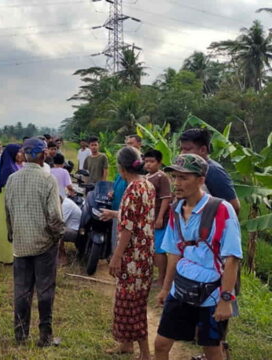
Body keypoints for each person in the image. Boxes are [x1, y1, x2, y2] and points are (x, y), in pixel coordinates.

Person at [154, 154, 242, 360]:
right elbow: (174, 253)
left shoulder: (221, 210)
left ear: (201, 180)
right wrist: (166, 288)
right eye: (175, 177)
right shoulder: (176, 210)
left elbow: (232, 259)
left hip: (211, 294)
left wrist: (226, 299)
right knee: (161, 344)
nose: (177, 183)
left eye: (184, 178)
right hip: (181, 288)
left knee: (211, 349)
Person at [5, 138, 63, 347]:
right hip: (44, 244)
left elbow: (8, 212)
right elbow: (55, 216)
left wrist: (13, 234)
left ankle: (21, 335)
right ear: (41, 154)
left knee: (22, 291)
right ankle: (45, 336)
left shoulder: (12, 179)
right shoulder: (48, 179)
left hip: (21, 244)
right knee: (45, 290)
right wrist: (57, 236)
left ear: (24, 154)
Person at [102, 146, 155, 360]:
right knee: (129, 300)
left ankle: (144, 353)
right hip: (144, 254)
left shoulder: (133, 188)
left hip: (133, 256)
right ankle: (125, 345)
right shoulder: (147, 185)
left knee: (131, 303)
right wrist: (114, 213)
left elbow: (129, 227)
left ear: (122, 169)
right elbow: (135, 216)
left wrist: (116, 257)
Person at [179, 128, 240, 215]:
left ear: (203, 150)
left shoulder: (214, 171)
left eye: (187, 150)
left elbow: (234, 207)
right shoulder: (190, 170)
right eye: (182, 149)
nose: (182, 154)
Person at [144, 149, 172, 287]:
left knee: (159, 250)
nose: (148, 164)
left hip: (159, 218)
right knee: (150, 248)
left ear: (159, 163)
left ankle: (162, 279)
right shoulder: (146, 177)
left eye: (152, 161)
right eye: (146, 161)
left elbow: (166, 198)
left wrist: (160, 217)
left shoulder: (162, 177)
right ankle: (153, 276)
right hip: (148, 218)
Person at [0, 144, 22, 264]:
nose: (21, 154)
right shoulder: (8, 169)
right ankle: (6, 257)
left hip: (8, 199)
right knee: (4, 228)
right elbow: (8, 188)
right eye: (19, 152)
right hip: (5, 199)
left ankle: (9, 255)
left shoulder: (13, 166)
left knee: (8, 227)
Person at [60, 195, 82, 266]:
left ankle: (62, 257)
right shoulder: (65, 201)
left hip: (77, 233)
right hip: (75, 230)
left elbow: (59, 223)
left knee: (56, 231)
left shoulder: (65, 206)